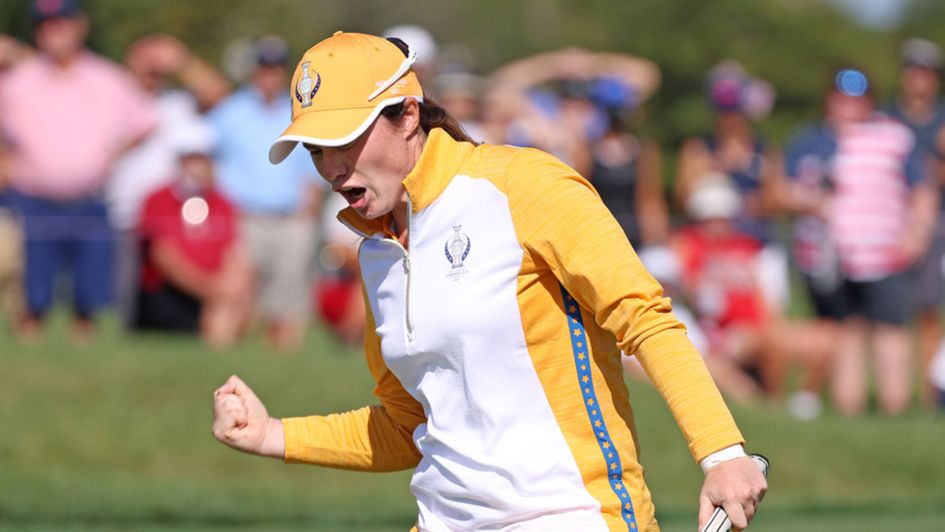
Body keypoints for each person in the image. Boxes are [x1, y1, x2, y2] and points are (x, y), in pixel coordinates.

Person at [211, 32, 765, 531]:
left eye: (343, 140)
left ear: (407, 115)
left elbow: (644, 318)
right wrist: (271, 435)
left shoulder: (523, 184)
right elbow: (409, 426)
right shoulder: (375, 253)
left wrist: (721, 453)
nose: (330, 167)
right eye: (314, 149)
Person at [784, 67, 937, 416]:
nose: (848, 108)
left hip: (884, 252)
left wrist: (916, 234)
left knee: (891, 331)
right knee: (845, 331)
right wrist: (810, 201)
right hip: (830, 256)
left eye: (857, 101)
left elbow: (921, 189)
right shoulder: (808, 141)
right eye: (841, 100)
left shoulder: (892, 137)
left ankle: (894, 410)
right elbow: (781, 189)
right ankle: (849, 408)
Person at [0, 0, 156, 340]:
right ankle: (31, 352)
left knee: (88, 295)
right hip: (31, 199)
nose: (55, 31)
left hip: (89, 198)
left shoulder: (108, 78)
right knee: (31, 294)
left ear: (79, 25)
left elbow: (145, 122)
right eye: (46, 24)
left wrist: (113, 154)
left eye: (62, 22)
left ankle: (82, 350)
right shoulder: (16, 82)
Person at [209, 35, 325, 352]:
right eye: (264, 67)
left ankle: (282, 363)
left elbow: (313, 170)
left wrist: (309, 212)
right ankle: (217, 360)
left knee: (288, 303)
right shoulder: (231, 111)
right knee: (234, 295)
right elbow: (207, 157)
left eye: (275, 68)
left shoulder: (300, 112)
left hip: (291, 218)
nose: (269, 75)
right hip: (242, 217)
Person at [108, 33, 232, 328]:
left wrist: (179, 58)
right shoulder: (113, 97)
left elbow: (217, 92)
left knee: (172, 298)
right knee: (127, 301)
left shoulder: (177, 103)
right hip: (124, 213)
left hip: (170, 215)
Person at [134, 121, 251, 347]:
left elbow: (234, 254)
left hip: (212, 296)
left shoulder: (223, 202)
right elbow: (164, 258)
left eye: (205, 159)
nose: (199, 167)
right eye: (193, 158)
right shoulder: (156, 200)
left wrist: (228, 293)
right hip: (167, 296)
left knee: (239, 287)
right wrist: (213, 292)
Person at [885, 39, 945, 408]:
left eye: (925, 72)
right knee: (891, 314)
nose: (918, 79)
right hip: (891, 221)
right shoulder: (887, 118)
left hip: (934, 224)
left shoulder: (941, 121)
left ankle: (929, 393)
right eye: (913, 70)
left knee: (927, 311)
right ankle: (899, 393)